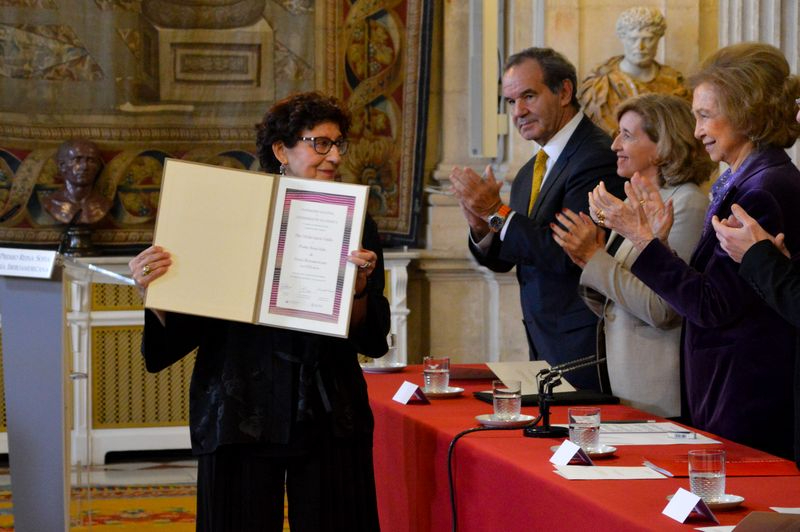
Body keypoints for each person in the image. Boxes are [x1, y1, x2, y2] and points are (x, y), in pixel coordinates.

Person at [128, 92, 391, 531]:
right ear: (280, 151)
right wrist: (154, 290)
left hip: (327, 413)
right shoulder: (224, 214)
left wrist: (358, 290)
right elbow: (185, 327)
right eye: (319, 143)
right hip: (238, 410)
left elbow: (370, 337)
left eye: (339, 144)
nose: (333, 156)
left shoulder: (357, 221)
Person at [588, 43, 800, 459]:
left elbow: (710, 306)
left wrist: (642, 241)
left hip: (747, 394)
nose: (698, 130)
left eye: (705, 116)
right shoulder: (745, 180)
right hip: (729, 388)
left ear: (745, 112)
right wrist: (659, 243)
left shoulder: (764, 190)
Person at [449, 47, 626, 391]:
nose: (519, 112)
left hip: (586, 346)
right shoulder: (532, 170)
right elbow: (508, 257)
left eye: (528, 96)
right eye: (511, 102)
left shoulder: (596, 156)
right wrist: (481, 226)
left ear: (564, 91)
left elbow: (566, 255)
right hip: (544, 340)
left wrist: (496, 212)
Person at [550, 94, 713, 417]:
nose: (614, 146)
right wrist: (586, 259)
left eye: (626, 135)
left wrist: (595, 257)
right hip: (629, 383)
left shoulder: (686, 203)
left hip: (661, 390)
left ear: (662, 145)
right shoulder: (635, 203)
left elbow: (662, 308)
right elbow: (621, 298)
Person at [711, 100, 800, 467]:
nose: (796, 115)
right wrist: (777, 261)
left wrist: (759, 258)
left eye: (704, 115)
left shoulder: (769, 182)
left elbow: (713, 303)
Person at [578, 6, 690, 135]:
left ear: (658, 39)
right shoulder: (599, 85)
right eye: (633, 39)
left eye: (648, 39)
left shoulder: (675, 84)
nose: (640, 47)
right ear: (623, 39)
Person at [43, 139, 112, 225]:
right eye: (77, 160)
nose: (84, 167)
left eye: (91, 161)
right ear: (62, 166)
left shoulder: (104, 204)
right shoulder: (51, 203)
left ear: (98, 167)